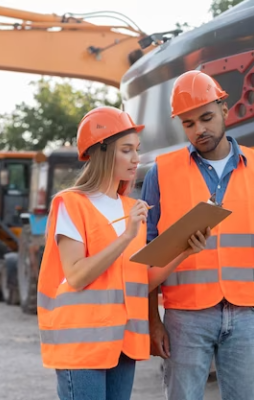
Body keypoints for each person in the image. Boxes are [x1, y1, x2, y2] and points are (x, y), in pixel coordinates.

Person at [36, 106, 209, 400]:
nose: (136, 159)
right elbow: (76, 275)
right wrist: (126, 235)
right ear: (101, 152)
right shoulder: (71, 204)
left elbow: (140, 280)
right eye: (126, 150)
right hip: (82, 346)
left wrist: (184, 251)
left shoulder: (131, 209)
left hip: (123, 342)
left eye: (136, 150)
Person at [141, 70, 254, 400]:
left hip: (247, 311)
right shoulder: (161, 173)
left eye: (206, 118)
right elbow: (147, 255)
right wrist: (153, 321)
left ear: (224, 108)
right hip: (184, 316)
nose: (199, 130)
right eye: (188, 124)